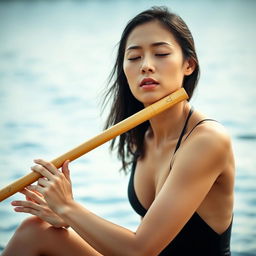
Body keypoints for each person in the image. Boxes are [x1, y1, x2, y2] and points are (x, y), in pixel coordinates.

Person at [2, 6, 235, 256]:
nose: (146, 65)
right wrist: (65, 216)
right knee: (34, 230)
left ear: (188, 65)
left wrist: (68, 207)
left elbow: (140, 250)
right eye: (134, 57)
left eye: (160, 53)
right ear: (124, 70)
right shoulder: (144, 136)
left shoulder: (207, 140)